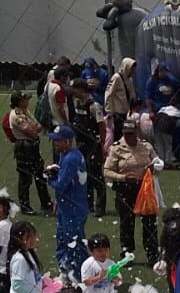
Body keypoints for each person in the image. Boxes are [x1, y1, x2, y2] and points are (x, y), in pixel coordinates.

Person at [101, 117, 162, 262]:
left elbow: (158, 162)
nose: (129, 137)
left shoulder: (146, 146)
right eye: (126, 134)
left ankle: (152, 253)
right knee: (127, 222)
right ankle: (127, 252)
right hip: (125, 188)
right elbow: (107, 171)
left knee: (149, 222)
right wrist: (122, 177)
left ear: (137, 132)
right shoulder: (117, 148)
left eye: (132, 133)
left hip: (144, 188)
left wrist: (155, 168)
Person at [45, 126, 90, 278]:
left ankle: (79, 277)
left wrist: (49, 177)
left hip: (73, 209)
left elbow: (61, 184)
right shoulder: (69, 154)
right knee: (64, 241)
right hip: (68, 206)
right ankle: (66, 272)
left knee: (74, 244)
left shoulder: (70, 159)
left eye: (58, 141)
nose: (55, 144)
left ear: (68, 141)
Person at [8, 92, 52, 215]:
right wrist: (36, 129)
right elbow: (32, 131)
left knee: (40, 175)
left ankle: (46, 203)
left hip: (32, 146)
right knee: (25, 178)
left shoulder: (25, 112)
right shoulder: (17, 115)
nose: (27, 101)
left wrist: (36, 128)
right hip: (24, 147)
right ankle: (25, 205)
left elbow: (37, 127)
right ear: (20, 101)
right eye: (25, 99)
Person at [67, 85, 107, 217]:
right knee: (85, 176)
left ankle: (100, 207)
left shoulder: (95, 106)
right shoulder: (77, 104)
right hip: (81, 145)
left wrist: (101, 142)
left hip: (93, 145)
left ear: (82, 90)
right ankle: (88, 204)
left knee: (97, 177)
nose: (73, 92)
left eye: (75, 89)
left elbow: (101, 126)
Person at [103, 57, 137, 141]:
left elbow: (132, 93)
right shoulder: (116, 78)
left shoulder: (129, 79)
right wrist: (109, 111)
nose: (133, 71)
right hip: (118, 113)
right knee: (118, 136)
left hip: (127, 112)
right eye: (131, 69)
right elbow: (108, 93)